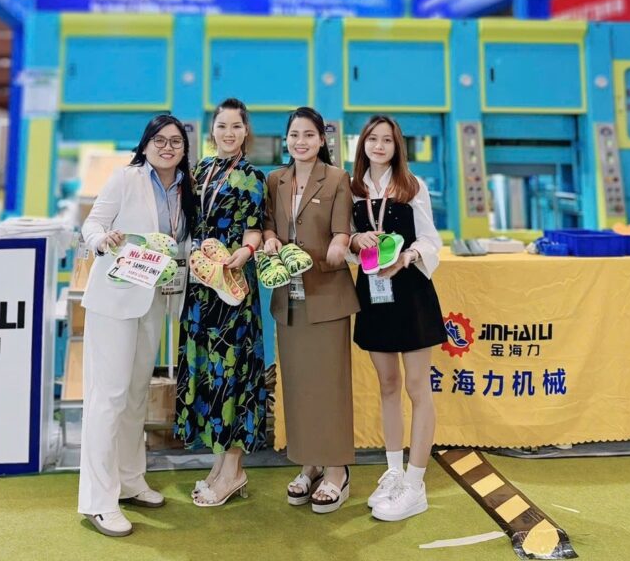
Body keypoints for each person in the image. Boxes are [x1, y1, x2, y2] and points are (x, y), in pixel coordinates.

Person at [77, 115, 197, 537]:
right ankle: (98, 501)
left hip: (154, 300)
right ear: (145, 145)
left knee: (135, 395)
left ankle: (130, 480)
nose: (167, 147)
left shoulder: (185, 188)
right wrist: (101, 240)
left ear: (184, 149)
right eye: (159, 140)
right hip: (115, 298)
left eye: (176, 142)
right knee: (107, 396)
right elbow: (92, 224)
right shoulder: (125, 179)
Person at [349, 115, 445, 521]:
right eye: (373, 138)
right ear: (363, 144)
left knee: (417, 387)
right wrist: (357, 240)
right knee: (387, 384)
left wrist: (407, 257)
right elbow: (346, 242)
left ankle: (415, 482)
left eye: (387, 140)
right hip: (374, 294)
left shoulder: (411, 185)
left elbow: (431, 239)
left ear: (397, 146)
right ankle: (392, 473)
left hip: (411, 293)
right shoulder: (352, 189)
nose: (379, 145)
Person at [263, 106, 357, 513]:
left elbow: (342, 231)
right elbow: (268, 223)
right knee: (299, 386)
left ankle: (337, 470)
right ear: (286, 140)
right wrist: (269, 239)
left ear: (322, 140)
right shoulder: (275, 180)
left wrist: (339, 245)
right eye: (294, 135)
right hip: (289, 299)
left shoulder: (337, 178)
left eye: (308, 135)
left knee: (330, 386)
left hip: (327, 296)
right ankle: (309, 463)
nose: (300, 142)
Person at [176, 98, 269, 506]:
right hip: (201, 287)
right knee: (209, 375)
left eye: (236, 126)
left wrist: (244, 254)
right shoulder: (199, 171)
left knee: (234, 373)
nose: (228, 133)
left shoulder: (253, 177)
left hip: (232, 288)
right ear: (212, 130)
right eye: (222, 126)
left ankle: (233, 469)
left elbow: (255, 230)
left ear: (246, 131)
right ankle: (219, 467)